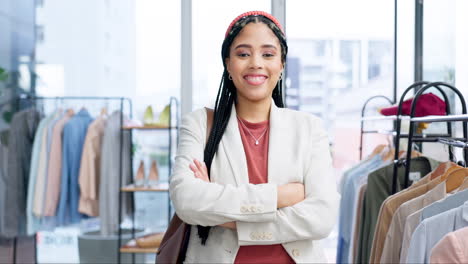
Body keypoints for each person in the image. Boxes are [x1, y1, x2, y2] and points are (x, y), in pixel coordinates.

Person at [169, 11, 339, 263]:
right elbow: (187, 200)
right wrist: (280, 197)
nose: (256, 63)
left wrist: (224, 211)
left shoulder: (310, 128)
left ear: (281, 65)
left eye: (268, 54)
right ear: (228, 63)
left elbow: (321, 218)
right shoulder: (199, 124)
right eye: (243, 54)